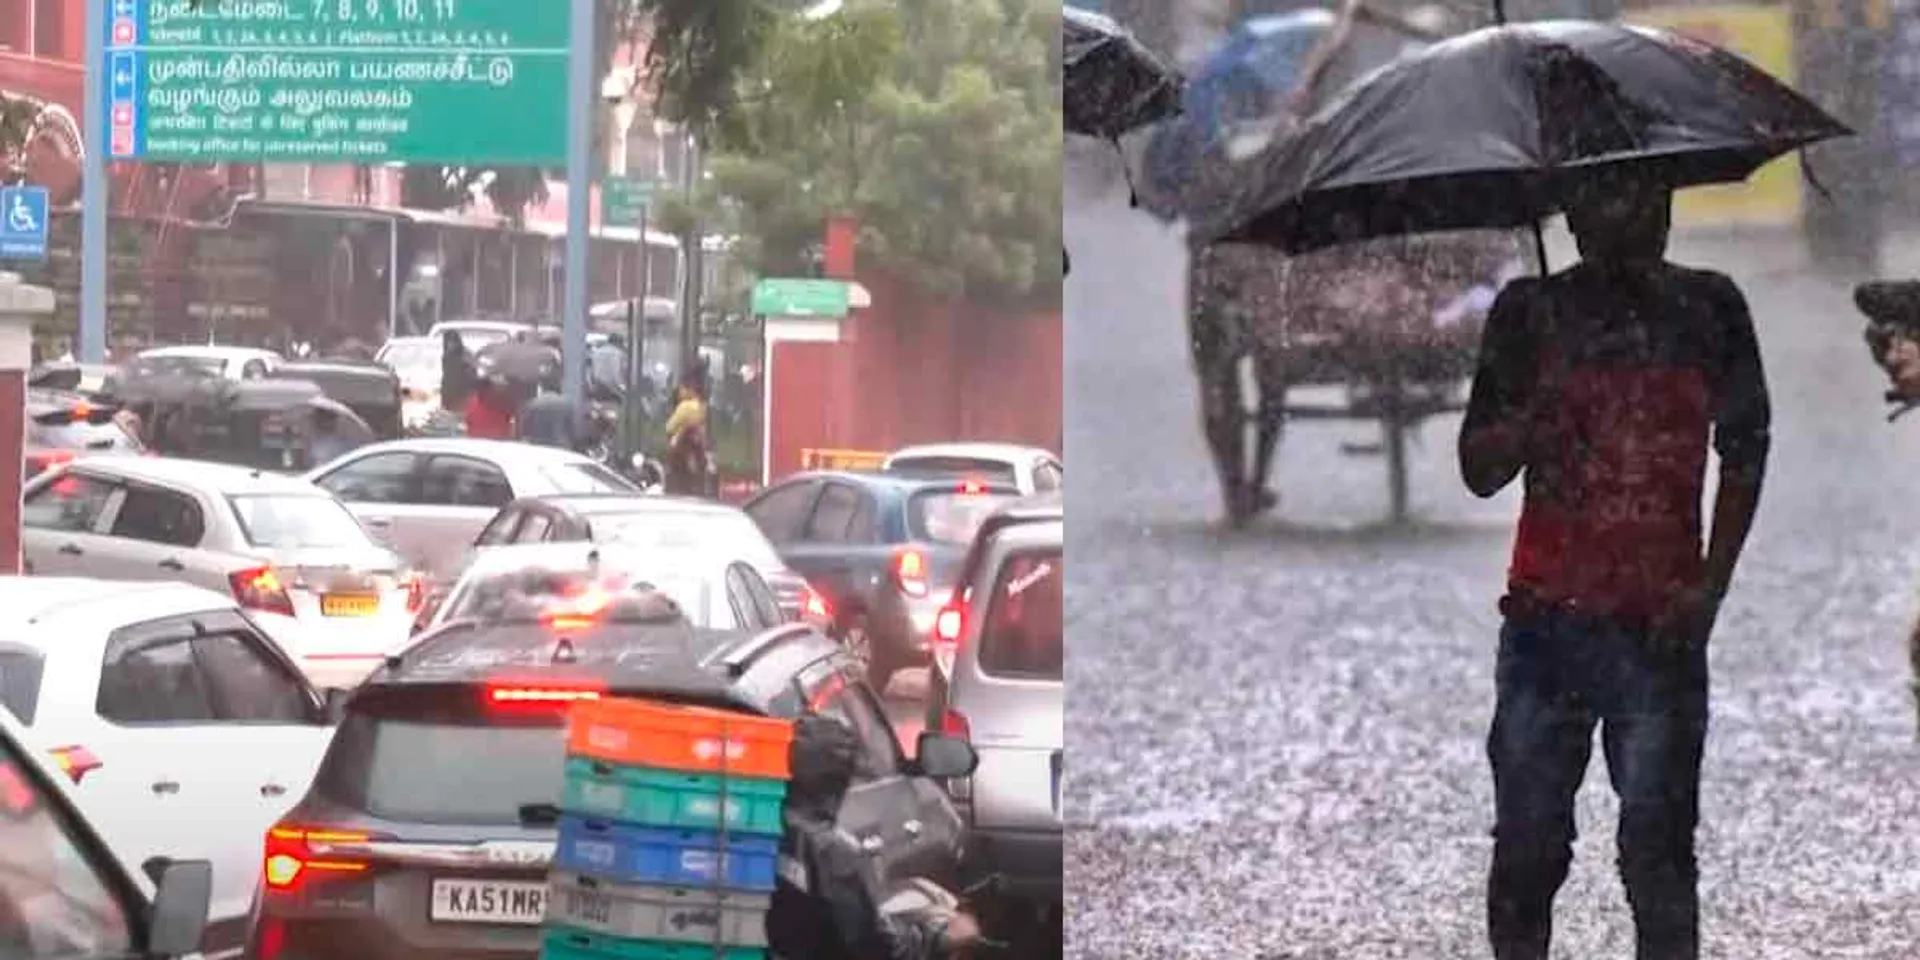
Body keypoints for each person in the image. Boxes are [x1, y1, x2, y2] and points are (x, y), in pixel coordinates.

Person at [1457, 179, 1769, 960]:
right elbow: (1479, 467)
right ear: (1574, 218)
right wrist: (1535, 411)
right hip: (1544, 626)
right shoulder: (1529, 315)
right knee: (1528, 848)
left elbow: (1746, 445)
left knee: (1658, 853)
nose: (1635, 221)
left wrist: (1709, 587)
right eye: (1612, 203)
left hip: (1662, 629)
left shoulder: (1711, 309)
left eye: (1650, 202)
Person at [765, 714, 980, 959]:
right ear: (839, 779)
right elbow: (874, 947)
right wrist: (940, 937)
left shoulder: (750, 826)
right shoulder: (831, 850)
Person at [662, 365, 711, 496]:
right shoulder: (702, 406)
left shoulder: (685, 406)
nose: (679, 392)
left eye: (682, 388)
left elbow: (669, 427)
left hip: (681, 453)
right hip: (696, 453)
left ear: (690, 389)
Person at [517, 389, 583, 451]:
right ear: (558, 388)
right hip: (561, 447)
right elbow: (571, 429)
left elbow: (526, 429)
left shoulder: (533, 403)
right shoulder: (567, 404)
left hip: (539, 446)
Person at [440, 330, 474, 412]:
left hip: (463, 396)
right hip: (450, 396)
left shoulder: (465, 355)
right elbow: (447, 378)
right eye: (448, 342)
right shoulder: (446, 357)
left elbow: (471, 374)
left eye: (453, 341)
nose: (451, 345)